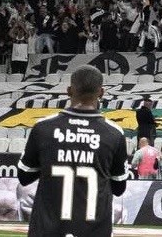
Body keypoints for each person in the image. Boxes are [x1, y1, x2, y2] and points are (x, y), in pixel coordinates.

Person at [16, 65, 129, 237]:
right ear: (102, 92)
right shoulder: (114, 133)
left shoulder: (43, 128)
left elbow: (24, 176)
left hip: (47, 230)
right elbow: (119, 187)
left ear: (69, 90)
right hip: (95, 231)